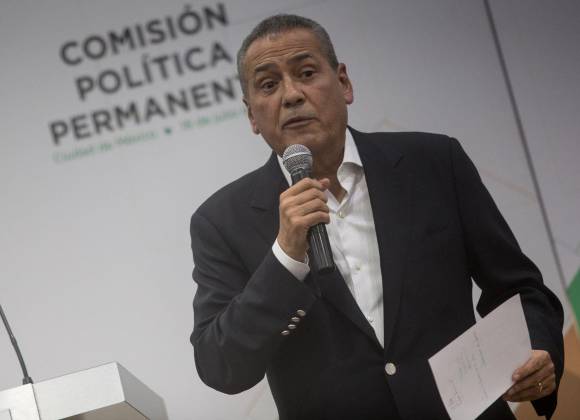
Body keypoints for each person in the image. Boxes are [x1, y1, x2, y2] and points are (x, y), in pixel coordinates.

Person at [189, 14, 564, 420]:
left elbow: (519, 289)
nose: (291, 95)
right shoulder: (221, 222)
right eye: (268, 84)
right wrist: (285, 259)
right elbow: (220, 365)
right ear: (251, 116)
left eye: (307, 73)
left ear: (344, 83)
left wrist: (539, 348)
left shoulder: (434, 164)